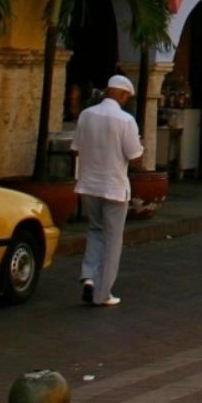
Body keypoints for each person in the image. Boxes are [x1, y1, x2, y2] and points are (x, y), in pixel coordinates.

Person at [74, 74, 145, 308]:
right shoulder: (125, 121)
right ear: (122, 94)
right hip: (114, 186)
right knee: (113, 239)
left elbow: (76, 149)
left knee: (94, 230)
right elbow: (135, 157)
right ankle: (103, 293)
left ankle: (88, 277)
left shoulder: (86, 115)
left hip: (88, 184)